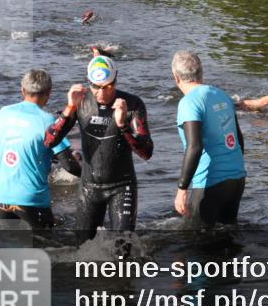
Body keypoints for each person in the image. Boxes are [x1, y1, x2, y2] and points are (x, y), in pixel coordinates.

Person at [45, 53, 153, 241]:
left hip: (121, 186)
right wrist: (69, 108)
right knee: (82, 250)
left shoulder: (132, 105)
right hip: (89, 188)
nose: (101, 93)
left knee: (123, 251)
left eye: (107, 87)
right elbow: (49, 142)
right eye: (96, 87)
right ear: (89, 82)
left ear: (116, 79)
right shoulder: (81, 101)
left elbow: (146, 152)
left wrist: (122, 125)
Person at [0, 69, 80, 229]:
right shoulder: (49, 122)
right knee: (49, 250)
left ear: (22, 90)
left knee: (7, 249)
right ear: (49, 93)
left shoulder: (3, 113)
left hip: (2, 198)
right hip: (32, 202)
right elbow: (70, 166)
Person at [170, 51, 249, 225]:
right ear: (201, 72)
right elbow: (239, 138)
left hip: (210, 181)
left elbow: (194, 147)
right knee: (228, 238)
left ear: (176, 77)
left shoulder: (189, 102)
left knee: (198, 241)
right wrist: (234, 168)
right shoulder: (222, 95)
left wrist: (182, 189)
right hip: (236, 178)